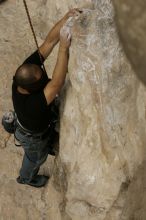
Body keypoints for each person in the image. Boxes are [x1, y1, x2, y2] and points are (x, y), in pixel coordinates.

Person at [12, 9, 80, 188]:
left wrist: (65, 19)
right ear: (33, 89)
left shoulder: (24, 73)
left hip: (34, 124)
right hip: (33, 137)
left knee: (47, 133)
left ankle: (49, 143)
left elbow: (48, 43)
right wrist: (64, 47)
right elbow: (57, 83)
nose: (44, 75)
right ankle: (26, 178)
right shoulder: (32, 105)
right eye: (42, 79)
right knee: (35, 159)